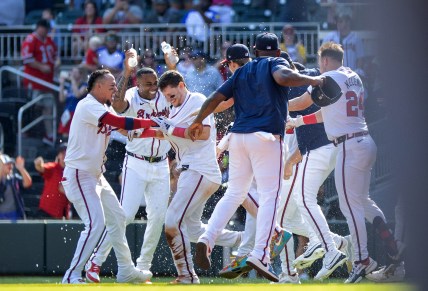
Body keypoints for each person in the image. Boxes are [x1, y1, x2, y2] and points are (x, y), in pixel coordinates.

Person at [188, 32, 324, 282]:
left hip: (239, 138)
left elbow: (215, 98)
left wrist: (197, 120)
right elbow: (284, 77)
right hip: (267, 138)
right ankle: (260, 254)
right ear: (275, 51)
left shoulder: (241, 72)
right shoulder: (276, 63)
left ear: (255, 50)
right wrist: (314, 81)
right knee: (271, 196)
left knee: (234, 193)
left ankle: (207, 239)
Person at [287, 41, 398, 283]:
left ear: (324, 60)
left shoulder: (327, 77)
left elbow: (303, 102)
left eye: (319, 61)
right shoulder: (353, 76)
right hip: (365, 140)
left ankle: (361, 260)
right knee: (362, 200)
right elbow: (326, 112)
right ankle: (389, 238)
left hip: (349, 144)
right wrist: (298, 122)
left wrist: (279, 109)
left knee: (350, 207)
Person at [61, 52, 158, 284]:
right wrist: (152, 121)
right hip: (79, 174)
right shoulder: (88, 105)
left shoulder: (103, 108)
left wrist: (169, 131)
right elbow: (119, 123)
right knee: (96, 224)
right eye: (111, 85)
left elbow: (127, 131)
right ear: (97, 86)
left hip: (96, 176)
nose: (115, 89)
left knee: (118, 218)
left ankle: (126, 269)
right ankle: (72, 274)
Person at [149, 70, 242, 284]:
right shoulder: (173, 112)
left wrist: (170, 128)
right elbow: (165, 131)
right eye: (167, 98)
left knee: (172, 222)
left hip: (200, 170)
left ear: (182, 85)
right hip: (191, 172)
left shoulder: (198, 100)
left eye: (172, 95)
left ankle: (187, 275)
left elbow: (205, 133)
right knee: (193, 231)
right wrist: (134, 129)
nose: (170, 100)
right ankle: (247, 239)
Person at [85, 64, 171, 283]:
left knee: (158, 217)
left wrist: (172, 66)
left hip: (161, 163)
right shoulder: (130, 95)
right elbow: (117, 104)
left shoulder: (164, 94)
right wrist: (128, 72)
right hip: (136, 162)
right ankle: (95, 261)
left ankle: (143, 266)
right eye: (148, 83)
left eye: (155, 82)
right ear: (138, 84)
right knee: (125, 215)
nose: (153, 87)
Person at [21, 19, 60, 146]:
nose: (45, 30)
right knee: (34, 107)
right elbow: (26, 59)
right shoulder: (31, 39)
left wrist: (57, 62)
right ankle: (26, 130)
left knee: (48, 108)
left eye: (46, 28)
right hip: (34, 81)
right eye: (43, 27)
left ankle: (49, 135)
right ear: (38, 27)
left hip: (46, 82)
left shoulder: (49, 41)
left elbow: (55, 54)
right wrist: (41, 66)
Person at [322, 7, 365, 74]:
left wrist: (357, 72)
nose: (339, 24)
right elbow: (321, 55)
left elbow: (360, 58)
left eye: (342, 21)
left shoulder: (356, 38)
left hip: (351, 74)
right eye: (339, 21)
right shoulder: (329, 37)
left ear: (348, 22)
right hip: (333, 75)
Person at [34, 143, 71, 219]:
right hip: (46, 212)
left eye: (67, 153)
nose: (64, 155)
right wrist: (38, 164)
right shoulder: (53, 168)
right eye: (62, 153)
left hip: (62, 215)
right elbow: (41, 168)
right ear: (58, 155)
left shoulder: (73, 172)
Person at [58, 66, 88, 140]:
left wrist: (73, 80)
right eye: (72, 72)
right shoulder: (69, 87)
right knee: (65, 136)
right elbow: (61, 99)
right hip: (68, 113)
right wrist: (61, 84)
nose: (73, 74)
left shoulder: (84, 86)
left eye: (75, 72)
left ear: (80, 75)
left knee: (75, 136)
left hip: (77, 114)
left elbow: (77, 95)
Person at [0, 154, 32, 220]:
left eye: (11, 163)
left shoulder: (14, 178)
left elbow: (28, 183)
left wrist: (21, 169)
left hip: (15, 216)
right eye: (7, 164)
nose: (10, 166)